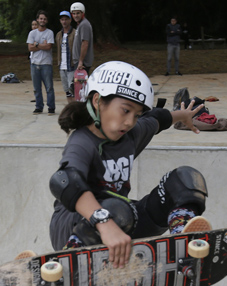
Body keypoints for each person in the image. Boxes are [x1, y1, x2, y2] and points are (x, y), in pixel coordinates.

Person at [48, 61, 211, 270]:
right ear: (97, 100)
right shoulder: (82, 141)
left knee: (187, 180)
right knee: (117, 209)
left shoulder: (132, 133)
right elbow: (64, 181)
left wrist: (184, 115)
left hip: (120, 224)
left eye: (136, 114)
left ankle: (183, 245)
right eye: (125, 111)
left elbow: (159, 118)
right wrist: (104, 223)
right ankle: (71, 259)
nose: (129, 122)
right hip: (73, 226)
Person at [27, 10, 55, 115]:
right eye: (40, 18)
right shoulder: (32, 33)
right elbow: (30, 48)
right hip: (34, 63)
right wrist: (41, 45)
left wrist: (36, 44)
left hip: (46, 63)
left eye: (44, 19)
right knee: (36, 88)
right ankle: (39, 107)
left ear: (46, 20)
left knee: (49, 87)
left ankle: (51, 107)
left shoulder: (49, 33)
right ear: (37, 19)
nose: (42, 20)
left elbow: (48, 47)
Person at [56, 10, 76, 103]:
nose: (64, 21)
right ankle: (70, 107)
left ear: (70, 20)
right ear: (60, 21)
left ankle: (75, 109)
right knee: (67, 90)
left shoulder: (75, 33)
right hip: (62, 66)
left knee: (73, 90)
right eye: (62, 19)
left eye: (66, 19)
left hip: (71, 66)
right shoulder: (59, 35)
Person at [70, 2, 94, 74]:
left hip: (82, 63)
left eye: (78, 13)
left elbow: (85, 43)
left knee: (78, 85)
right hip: (79, 62)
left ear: (82, 13)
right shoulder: (80, 25)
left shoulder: (84, 25)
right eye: (74, 14)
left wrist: (80, 61)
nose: (75, 15)